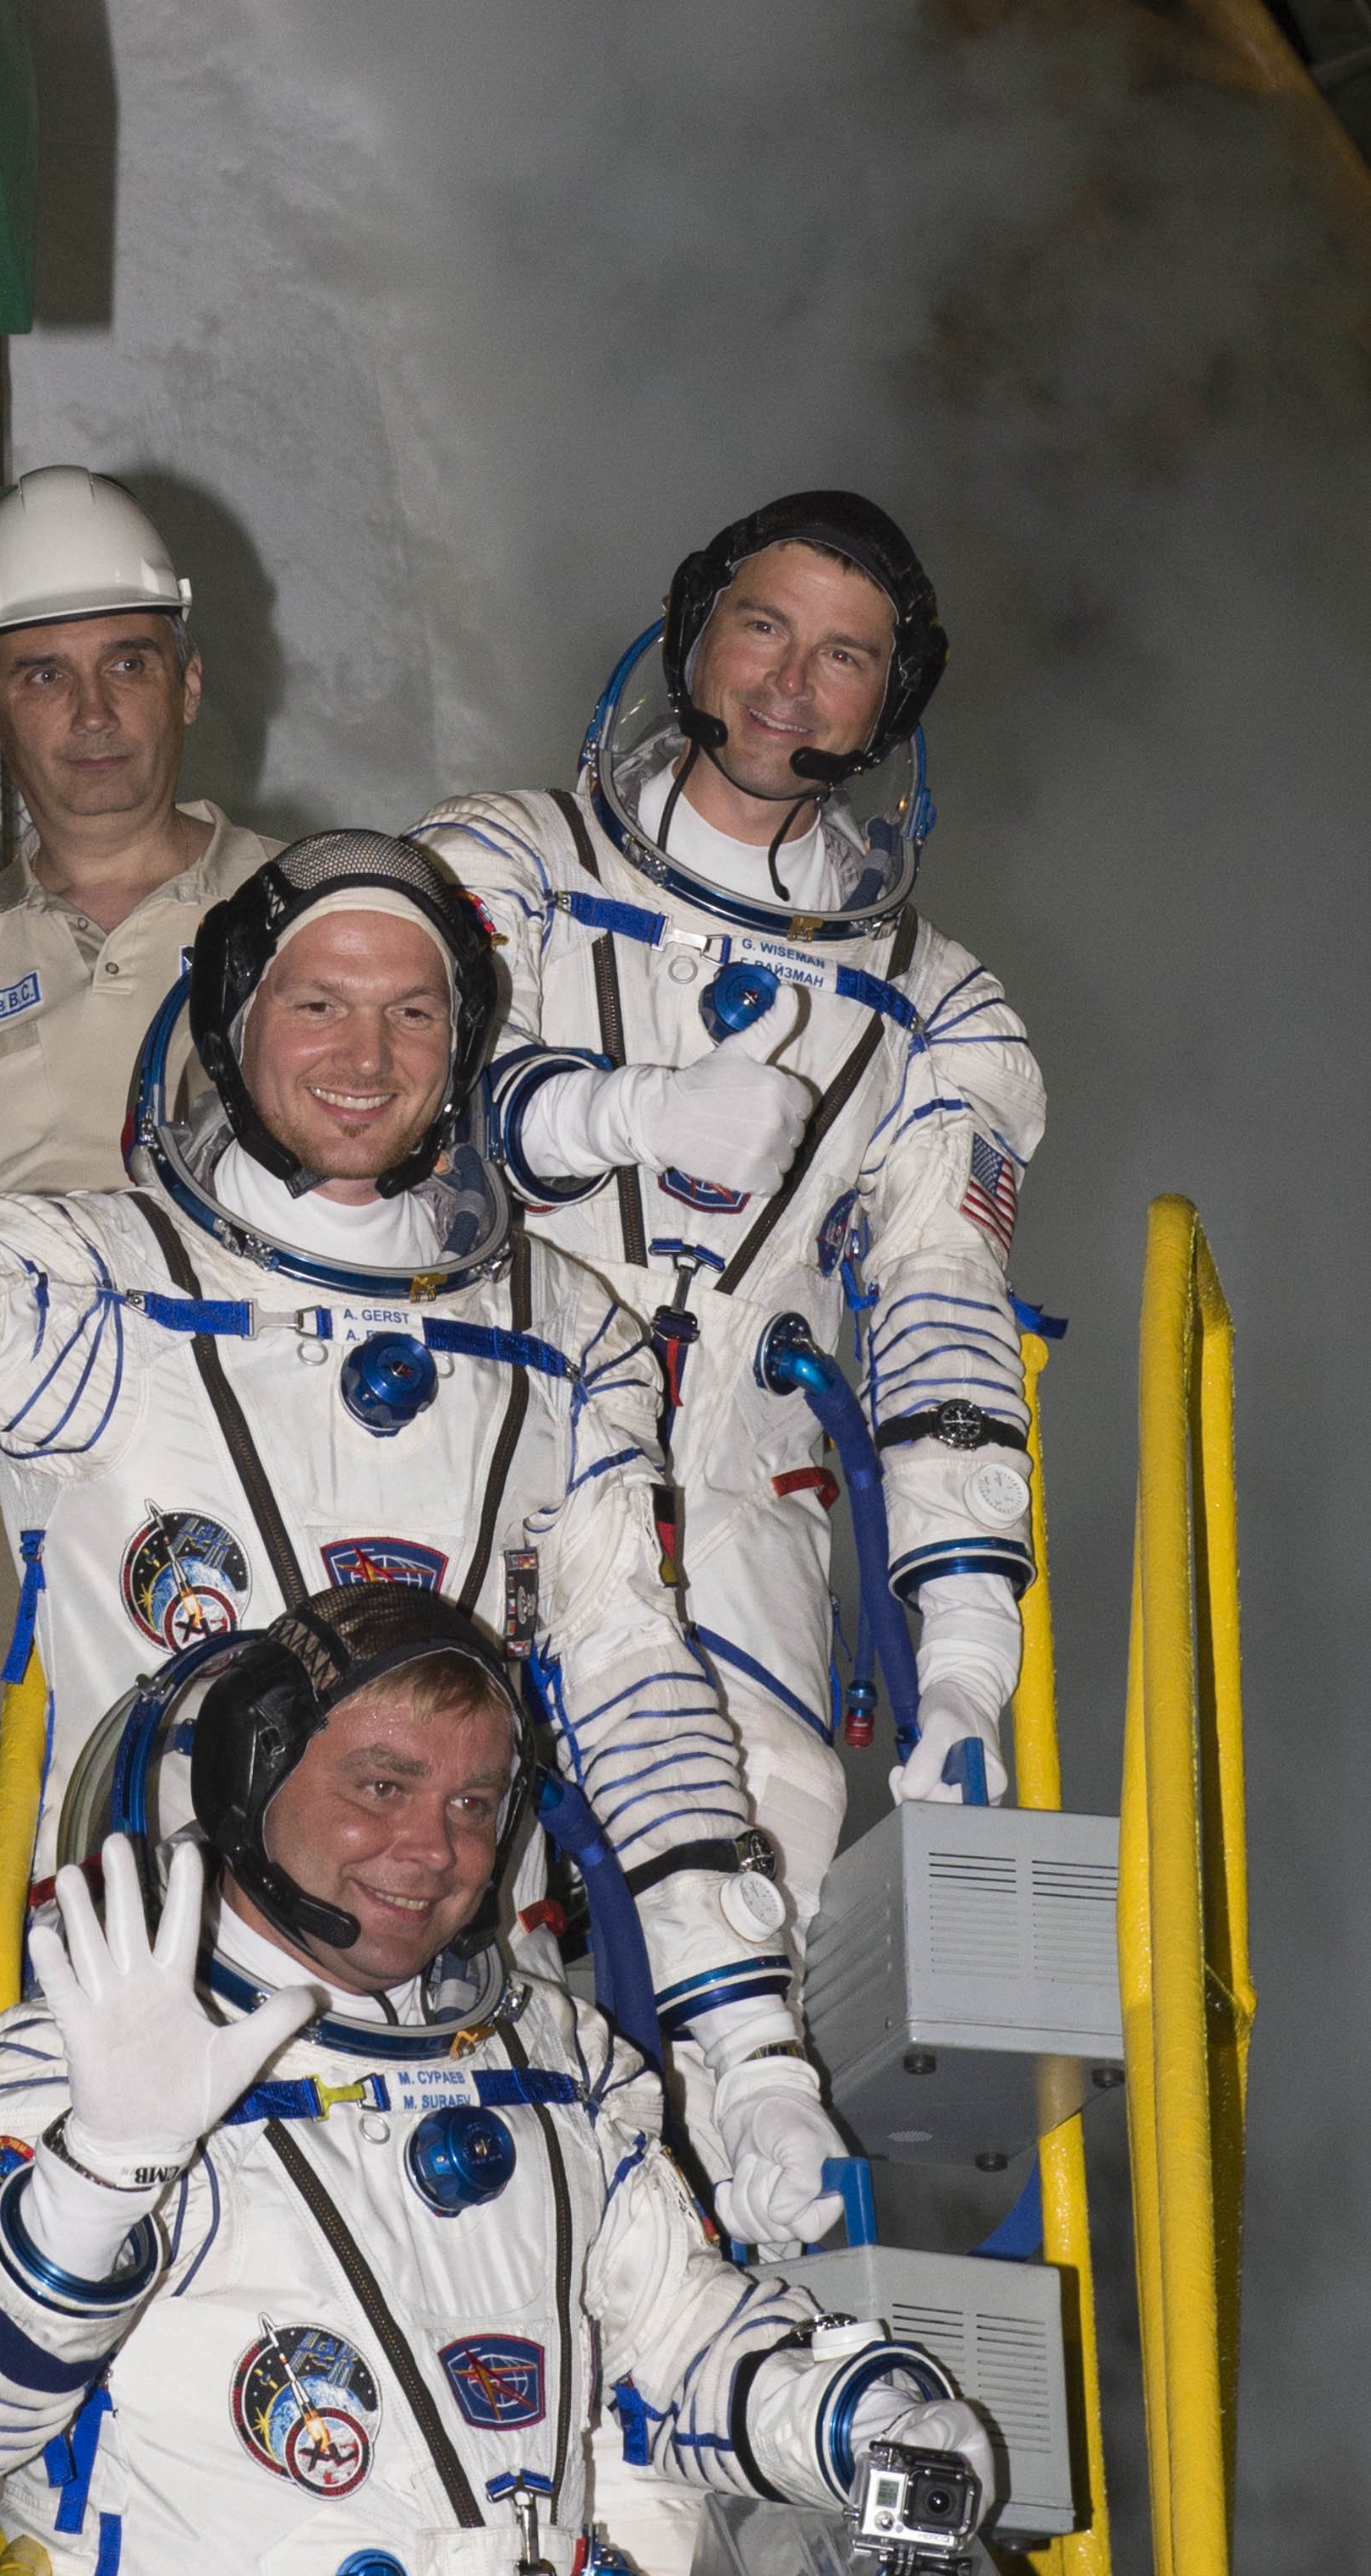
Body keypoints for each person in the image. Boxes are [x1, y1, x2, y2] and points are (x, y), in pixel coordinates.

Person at [0, 823, 849, 2250]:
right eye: (317, 1002)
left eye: (413, 1011)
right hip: (150, 2059)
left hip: (490, 2061)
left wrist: (748, 2056)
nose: (366, 1055)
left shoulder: (567, 1337)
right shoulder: (100, 1288)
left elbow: (639, 1702)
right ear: (230, 1020)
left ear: (464, 1046)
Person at [0, 1584, 1000, 2576]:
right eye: (381, 1785)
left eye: (473, 1805)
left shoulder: (556, 2072)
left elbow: (690, 2334)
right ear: (250, 1777)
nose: (431, 1848)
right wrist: (106, 2168)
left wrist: (871, 2423)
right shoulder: (76, 2064)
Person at [414, 491, 1045, 2032]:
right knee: (419, 1890)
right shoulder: (501, 866)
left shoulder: (938, 1011)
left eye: (843, 656)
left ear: (888, 705)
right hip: (477, 1463)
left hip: (745, 1514)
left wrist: (963, 1660)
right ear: (692, 635)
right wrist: (611, 1111)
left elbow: (941, 1326)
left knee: (749, 1903)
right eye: (762, 626)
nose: (786, 682)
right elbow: (381, 1101)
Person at [0, 467, 280, 1977]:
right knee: (22, 1932)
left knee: (286, 1910)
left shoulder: (314, 911)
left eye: (125, 664)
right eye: (42, 675)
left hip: (282, 1474)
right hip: (2, 1516)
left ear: (187, 683)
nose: (90, 713)